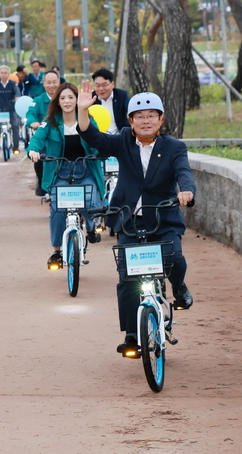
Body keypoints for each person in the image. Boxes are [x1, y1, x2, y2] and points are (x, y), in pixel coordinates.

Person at [76, 83, 195, 355]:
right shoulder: (122, 141)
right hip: (128, 219)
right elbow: (94, 137)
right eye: (139, 116)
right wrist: (83, 111)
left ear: (161, 119)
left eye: (151, 115)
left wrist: (186, 190)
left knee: (174, 258)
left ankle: (178, 286)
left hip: (163, 219)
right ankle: (132, 334)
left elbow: (183, 172)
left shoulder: (175, 146)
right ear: (130, 121)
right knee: (127, 278)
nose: (145, 121)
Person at [27, 83, 104, 267]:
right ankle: (56, 251)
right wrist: (33, 151)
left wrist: (104, 150)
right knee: (57, 210)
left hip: (85, 170)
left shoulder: (86, 119)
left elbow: (99, 140)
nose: (67, 101)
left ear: (77, 99)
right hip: (59, 172)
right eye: (63, 98)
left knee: (92, 203)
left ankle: (91, 229)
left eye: (71, 97)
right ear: (57, 102)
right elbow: (36, 140)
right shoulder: (50, 122)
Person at [26, 70, 62, 196]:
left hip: (63, 138)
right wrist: (33, 122)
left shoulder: (65, 98)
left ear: (59, 82)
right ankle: (43, 183)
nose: (52, 85)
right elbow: (30, 113)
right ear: (43, 83)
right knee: (40, 158)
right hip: (45, 138)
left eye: (54, 82)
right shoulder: (38, 100)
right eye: (48, 82)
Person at [0, 65, 21, 153]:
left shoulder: (12, 83)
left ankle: (16, 146)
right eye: (2, 73)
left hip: (11, 108)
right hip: (0, 108)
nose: (3, 75)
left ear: (8, 74)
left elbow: (17, 91)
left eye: (5, 73)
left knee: (15, 126)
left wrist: (17, 97)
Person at [91, 68, 130, 133]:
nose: (100, 89)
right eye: (97, 85)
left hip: (119, 135)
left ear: (112, 84)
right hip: (98, 136)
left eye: (104, 85)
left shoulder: (121, 95)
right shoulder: (91, 99)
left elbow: (131, 111)